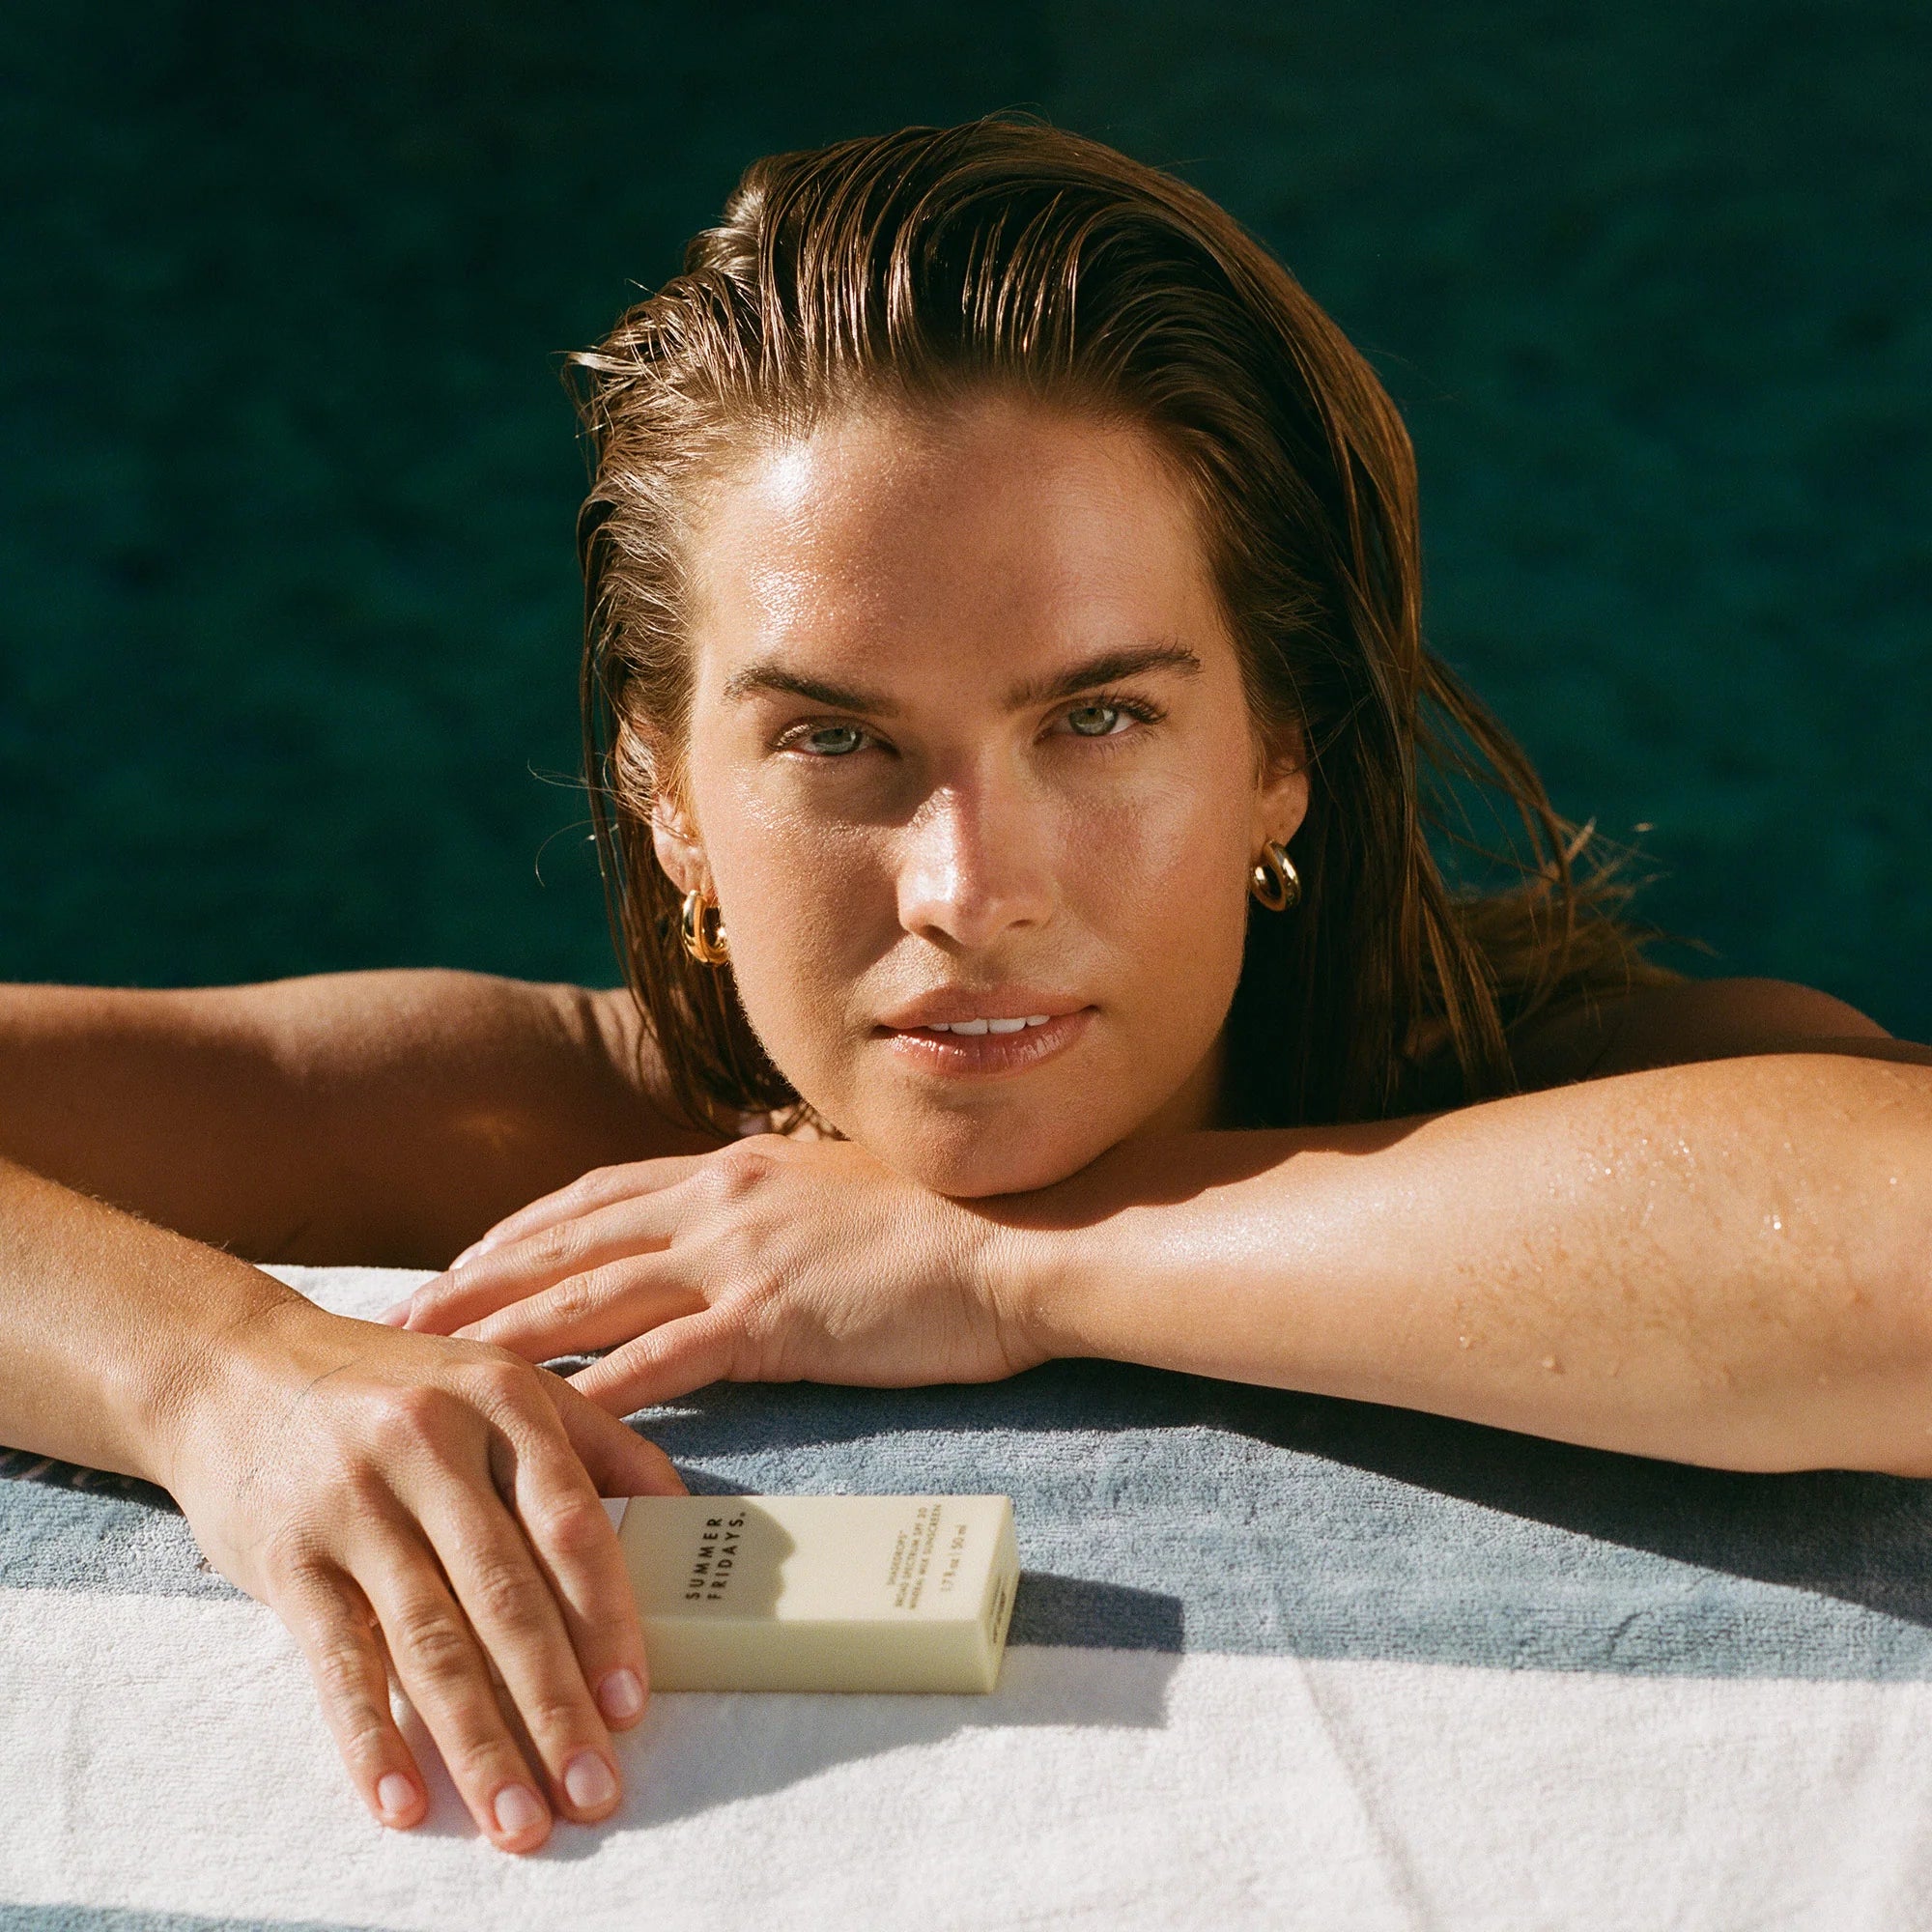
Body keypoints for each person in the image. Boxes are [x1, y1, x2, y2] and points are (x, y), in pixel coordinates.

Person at [3, 118, 1927, 1855]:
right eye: (836, 741)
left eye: (1098, 718)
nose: (968, 892)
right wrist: (220, 1378)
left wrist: (1002, 1262)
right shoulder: (565, 1131)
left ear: (1284, 751)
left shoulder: (1578, 1098)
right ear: (667, 797)